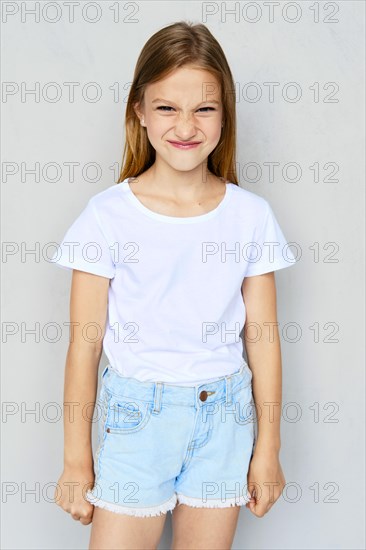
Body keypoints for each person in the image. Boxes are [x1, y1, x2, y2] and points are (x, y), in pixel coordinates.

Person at [52, 20, 297, 550]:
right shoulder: (106, 217)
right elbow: (85, 343)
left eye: (204, 109)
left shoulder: (250, 216)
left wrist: (268, 448)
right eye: (166, 107)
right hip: (137, 419)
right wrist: (76, 460)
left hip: (225, 420)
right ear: (139, 112)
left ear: (225, 116)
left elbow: (264, 338)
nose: (185, 125)